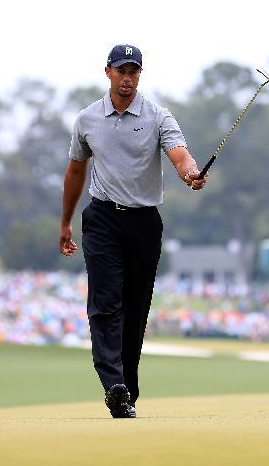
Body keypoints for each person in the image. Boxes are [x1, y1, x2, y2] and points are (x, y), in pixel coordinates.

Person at [59, 44, 208, 418]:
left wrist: (189, 172)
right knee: (105, 303)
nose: (128, 78)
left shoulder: (158, 116)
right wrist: (65, 222)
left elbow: (180, 154)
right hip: (103, 219)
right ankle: (113, 385)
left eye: (134, 72)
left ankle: (127, 391)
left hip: (144, 222)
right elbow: (76, 171)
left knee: (135, 309)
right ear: (107, 72)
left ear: (140, 75)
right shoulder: (87, 119)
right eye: (121, 70)